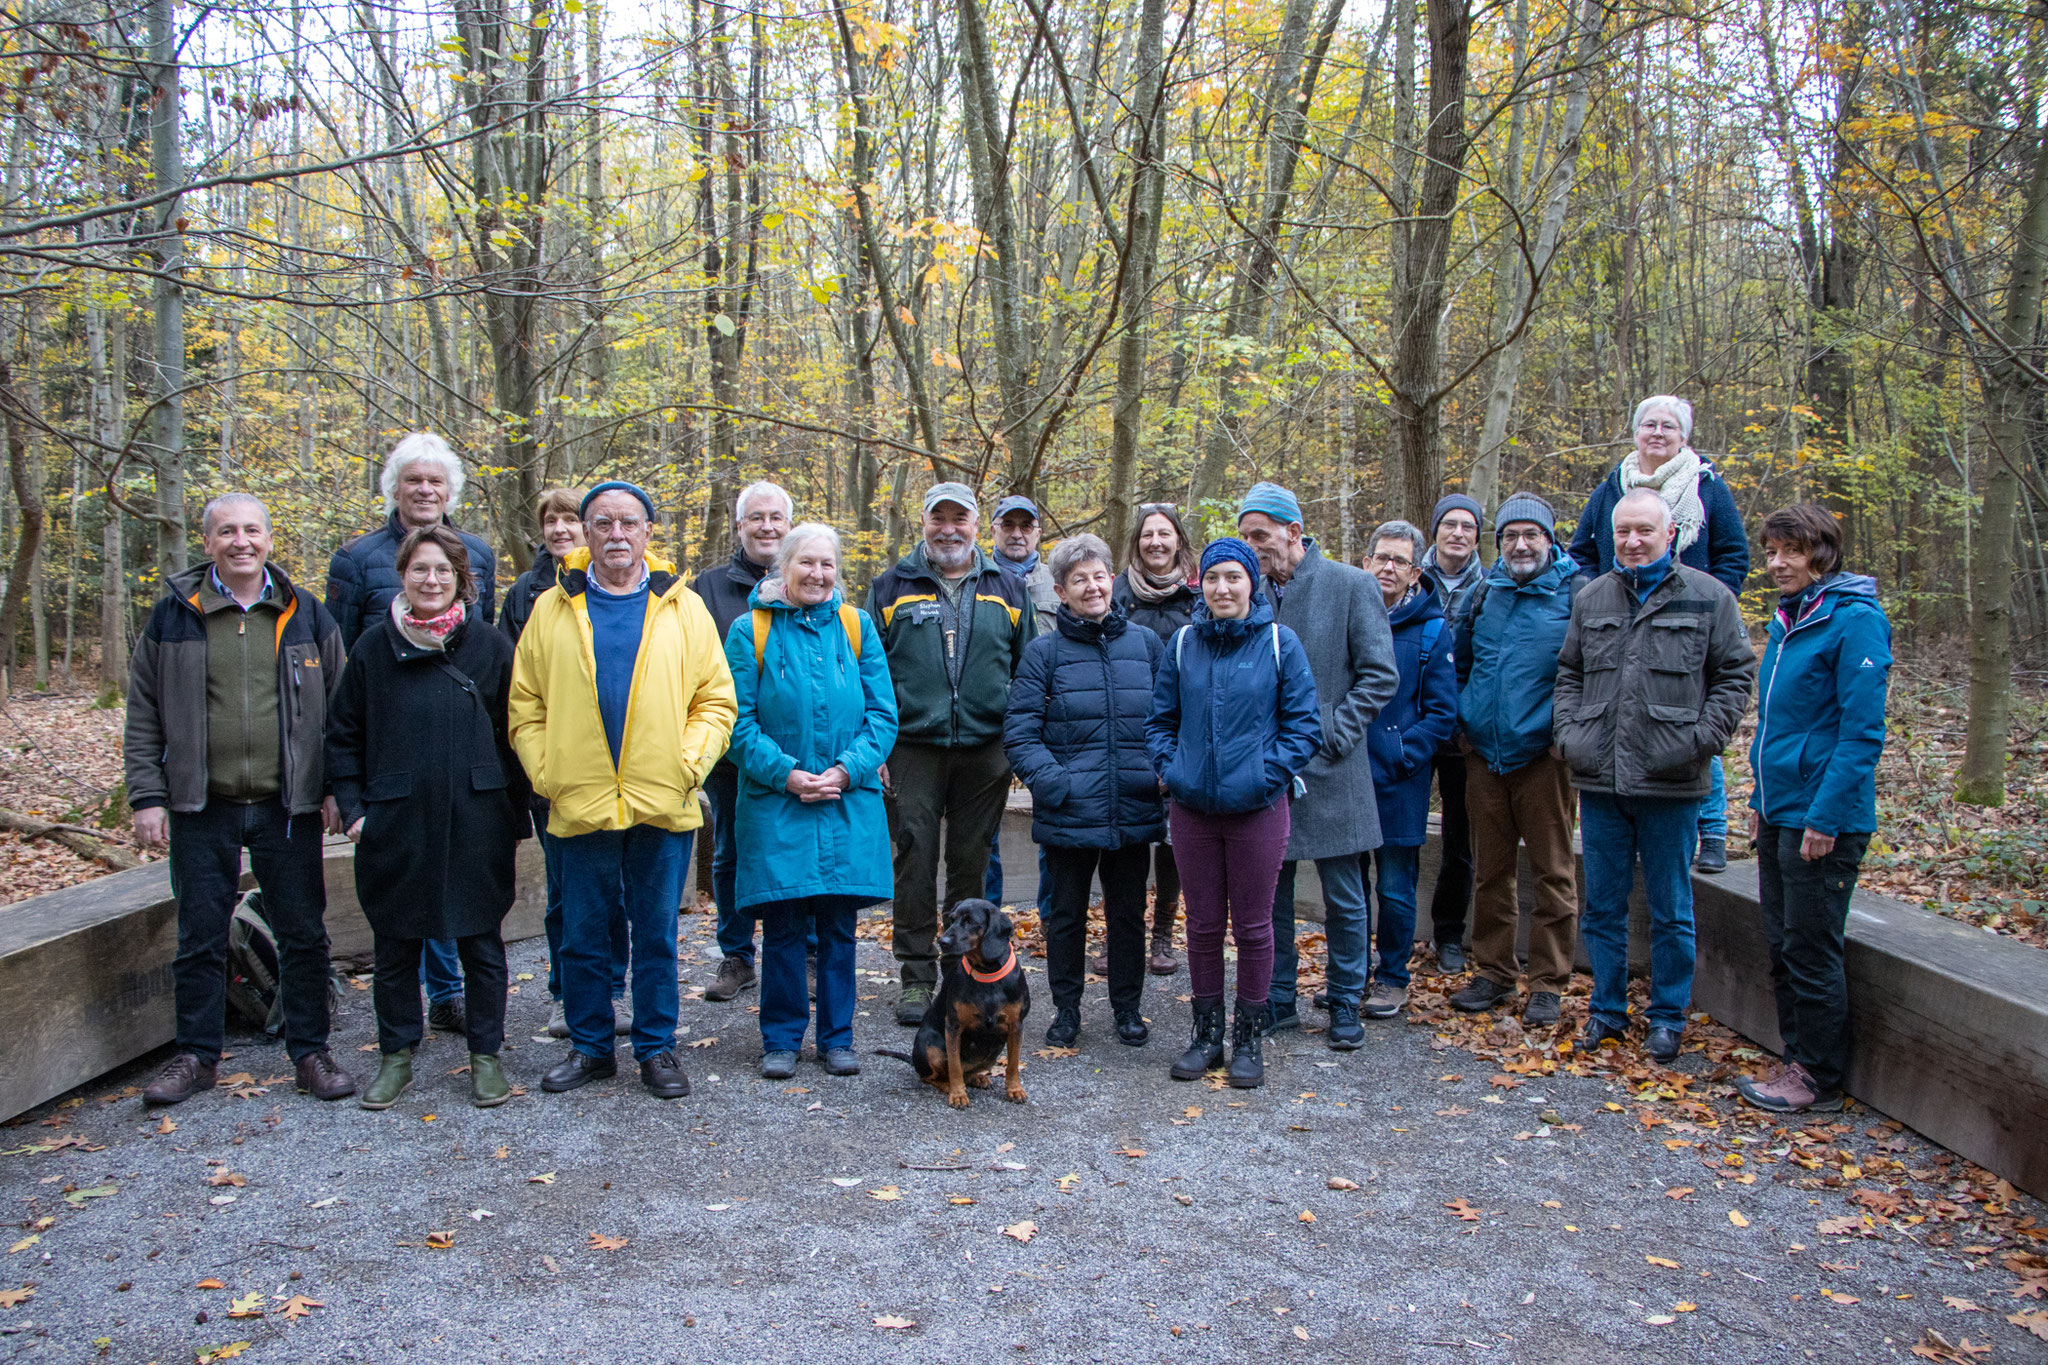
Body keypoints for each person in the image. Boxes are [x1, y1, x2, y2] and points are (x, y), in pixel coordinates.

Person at [509, 481, 737, 1099]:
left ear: (646, 533)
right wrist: (547, 773)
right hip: (578, 798)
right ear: (584, 533)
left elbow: (716, 701)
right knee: (583, 932)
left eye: (628, 523)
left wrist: (688, 765)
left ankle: (657, 1048)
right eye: (602, 523)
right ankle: (590, 1048)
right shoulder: (551, 608)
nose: (616, 535)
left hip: (663, 799)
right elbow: (525, 706)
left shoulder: (683, 608)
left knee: (657, 933)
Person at [127, 494, 355, 1105]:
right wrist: (147, 795)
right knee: (199, 935)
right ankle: (196, 1058)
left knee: (303, 934)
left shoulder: (307, 614)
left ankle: (311, 1053)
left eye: (251, 530)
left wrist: (334, 788)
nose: (240, 541)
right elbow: (143, 713)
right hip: (202, 804)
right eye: (226, 531)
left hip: (289, 806)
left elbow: (340, 710)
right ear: (208, 543)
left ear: (269, 539)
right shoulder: (173, 616)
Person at [326, 527, 529, 1109]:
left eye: (442, 571)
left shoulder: (490, 647)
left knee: (482, 944)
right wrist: (357, 812)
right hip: (395, 819)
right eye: (420, 570)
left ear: (460, 578)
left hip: (477, 815)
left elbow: (516, 736)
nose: (431, 581)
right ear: (403, 575)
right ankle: (396, 1056)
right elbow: (343, 734)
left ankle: (485, 1056)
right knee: (395, 945)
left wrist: (515, 818)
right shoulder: (372, 647)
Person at [1554, 489, 1756, 1062]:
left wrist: (1700, 740)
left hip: (1672, 779)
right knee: (1603, 907)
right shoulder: (1592, 597)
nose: (1633, 541)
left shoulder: (1709, 597)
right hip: (1600, 778)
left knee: (1671, 909)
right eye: (1623, 531)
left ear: (1670, 535)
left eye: (1644, 530)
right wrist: (1571, 735)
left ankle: (1667, 1017)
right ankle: (1606, 1012)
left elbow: (1735, 675)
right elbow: (1569, 672)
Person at [326, 432, 499, 1036]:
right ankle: (401, 1036)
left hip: (462, 766)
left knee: (467, 898)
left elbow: (487, 670)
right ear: (393, 487)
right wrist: (346, 796)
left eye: (435, 481)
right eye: (413, 480)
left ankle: (452, 998)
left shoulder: (477, 552)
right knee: (400, 905)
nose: (425, 490)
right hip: (391, 749)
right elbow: (340, 660)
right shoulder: (354, 560)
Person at [723, 524, 897, 1080]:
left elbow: (883, 714)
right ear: (784, 569)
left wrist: (847, 770)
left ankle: (837, 1038)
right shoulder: (749, 630)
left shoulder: (857, 626)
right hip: (779, 803)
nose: (817, 574)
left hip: (847, 799)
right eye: (806, 564)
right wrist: (789, 775)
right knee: (784, 927)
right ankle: (780, 1040)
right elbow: (736, 722)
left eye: (827, 565)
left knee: (840, 930)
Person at [1146, 539, 1321, 1089]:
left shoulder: (1279, 643)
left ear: (1253, 583)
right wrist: (1175, 773)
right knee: (1200, 925)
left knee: (1253, 926)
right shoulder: (1182, 645)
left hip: (1258, 810)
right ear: (1202, 583)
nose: (1224, 588)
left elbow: (1304, 726)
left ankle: (1248, 1037)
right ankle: (1205, 1035)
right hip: (1193, 809)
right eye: (1214, 578)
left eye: (1234, 578)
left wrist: (1265, 776)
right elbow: (1158, 722)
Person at [1735, 505, 1891, 1112]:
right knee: (1781, 942)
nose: (1777, 563)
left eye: (1791, 552)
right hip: (1781, 810)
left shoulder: (1855, 622)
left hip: (1824, 819)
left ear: (1822, 553)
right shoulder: (1790, 620)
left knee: (1810, 947)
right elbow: (1776, 726)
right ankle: (1796, 1059)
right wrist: (1759, 800)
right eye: (1771, 551)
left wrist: (1824, 816)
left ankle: (1818, 1078)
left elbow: (1860, 734)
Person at [1235, 482, 1399, 1048]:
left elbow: (1380, 674)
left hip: (1334, 766)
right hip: (1266, 768)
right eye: (1245, 536)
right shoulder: (1248, 591)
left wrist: (1333, 733)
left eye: (1261, 535)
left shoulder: (1351, 585)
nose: (1252, 547)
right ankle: (1277, 998)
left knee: (1345, 896)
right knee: (1269, 892)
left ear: (1294, 533)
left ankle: (1346, 1000)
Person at [867, 483, 1037, 1026]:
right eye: (937, 518)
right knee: (913, 860)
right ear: (923, 523)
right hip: (911, 747)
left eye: (958, 519)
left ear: (975, 524)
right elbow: (869, 673)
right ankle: (917, 979)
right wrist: (878, 745)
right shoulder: (891, 587)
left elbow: (1028, 671)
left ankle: (966, 977)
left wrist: (1015, 742)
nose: (948, 529)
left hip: (986, 750)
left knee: (970, 865)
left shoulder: (1007, 588)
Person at [1568, 396, 1750, 873]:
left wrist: (1711, 601)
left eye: (1669, 426)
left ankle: (1710, 830)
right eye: (1649, 424)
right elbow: (1582, 549)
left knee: (1686, 721)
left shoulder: (1707, 487)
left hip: (1692, 622)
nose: (1657, 433)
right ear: (1635, 433)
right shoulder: (1612, 487)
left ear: (1683, 437)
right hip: (1616, 614)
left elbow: (1734, 552)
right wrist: (1594, 594)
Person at [1004, 534, 1165, 1049]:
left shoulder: (1146, 645)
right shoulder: (1043, 653)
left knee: (1126, 916)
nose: (1092, 587)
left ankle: (1127, 1010)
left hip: (1133, 806)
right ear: (1060, 591)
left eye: (1099, 576)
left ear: (1111, 581)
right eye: (1079, 580)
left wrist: (1160, 772)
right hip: (1069, 811)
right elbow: (1021, 731)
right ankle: (1067, 1010)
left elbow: (1169, 720)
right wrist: (1054, 782)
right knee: (1067, 917)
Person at [1447, 493, 1583, 1028]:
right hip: (1484, 755)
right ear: (1498, 542)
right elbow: (1458, 663)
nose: (1521, 545)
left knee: (1554, 872)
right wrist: (1463, 726)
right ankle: (1495, 972)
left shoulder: (1577, 594)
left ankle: (1548, 983)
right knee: (1491, 871)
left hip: (1544, 758)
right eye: (1510, 536)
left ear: (1550, 540)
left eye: (1531, 535)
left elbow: (1589, 672)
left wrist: (1564, 734)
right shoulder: (1486, 593)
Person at [502, 488, 632, 1042]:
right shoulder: (530, 596)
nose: (559, 529)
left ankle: (615, 989)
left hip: (631, 778)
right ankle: (567, 995)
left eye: (567, 520)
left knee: (619, 895)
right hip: (557, 780)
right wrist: (542, 770)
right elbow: (519, 687)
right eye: (549, 520)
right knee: (567, 895)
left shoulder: (644, 594)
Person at [692, 481, 795, 1003]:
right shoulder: (705, 590)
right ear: (739, 526)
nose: (767, 527)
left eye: (777, 518)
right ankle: (737, 955)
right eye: (756, 518)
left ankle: (807, 950)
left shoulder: (809, 580)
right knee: (730, 848)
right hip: (732, 749)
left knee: (798, 845)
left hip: (799, 749)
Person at [1360, 520, 1459, 1019]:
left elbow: (1442, 713)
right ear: (1366, 562)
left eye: (1400, 561)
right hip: (1350, 777)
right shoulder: (1351, 615)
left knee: (1395, 888)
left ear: (1416, 572)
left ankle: (1392, 978)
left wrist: (1402, 753)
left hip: (1401, 781)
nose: (1389, 568)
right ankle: (1351, 973)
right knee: (1350, 886)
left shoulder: (1432, 629)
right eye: (1382, 557)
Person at [1110, 503, 1201, 976]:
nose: (1156, 543)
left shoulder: (1201, 590)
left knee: (1172, 841)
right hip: (1124, 726)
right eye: (1148, 535)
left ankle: (1163, 933)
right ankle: (1119, 933)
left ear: (1179, 540)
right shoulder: (1117, 590)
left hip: (1184, 729)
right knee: (1123, 837)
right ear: (1137, 541)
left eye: (1165, 534)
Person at [1419, 493, 1484, 973]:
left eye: (1468, 526)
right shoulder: (1408, 577)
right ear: (1436, 530)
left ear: (1478, 536)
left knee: (1460, 840)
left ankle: (1449, 934)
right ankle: (1389, 935)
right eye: (1450, 525)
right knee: (1399, 835)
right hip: (1413, 727)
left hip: (1465, 733)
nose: (1458, 533)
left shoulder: (1493, 586)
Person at [983, 494, 1058, 909]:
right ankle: (986, 922)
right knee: (984, 829)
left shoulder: (1059, 581)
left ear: (1037, 533)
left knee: (1052, 822)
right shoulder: (977, 578)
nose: (1016, 534)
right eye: (1007, 525)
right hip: (990, 722)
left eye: (1025, 526)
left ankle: (1052, 917)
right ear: (992, 529)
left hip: (1047, 724)